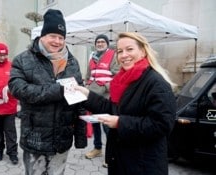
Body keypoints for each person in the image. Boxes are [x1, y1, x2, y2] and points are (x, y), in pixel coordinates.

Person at [75, 32, 176, 175]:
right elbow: (111, 108)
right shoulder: (123, 80)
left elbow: (161, 124)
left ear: (142, 51)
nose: (123, 55)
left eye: (129, 49)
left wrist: (119, 123)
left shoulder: (156, 83)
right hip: (121, 159)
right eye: (120, 51)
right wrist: (86, 95)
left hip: (143, 164)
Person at [8, 9, 87, 175]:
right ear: (42, 36)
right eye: (53, 36)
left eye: (61, 37)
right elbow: (17, 89)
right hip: (35, 137)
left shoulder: (72, 62)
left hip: (62, 139)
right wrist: (58, 90)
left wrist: (80, 136)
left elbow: (79, 102)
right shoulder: (23, 59)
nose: (57, 41)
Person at [84, 34, 117, 166]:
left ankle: (111, 154)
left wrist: (107, 86)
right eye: (98, 42)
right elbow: (88, 74)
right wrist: (87, 85)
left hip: (106, 96)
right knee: (95, 123)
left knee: (107, 126)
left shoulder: (113, 55)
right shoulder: (93, 56)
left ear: (107, 44)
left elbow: (118, 73)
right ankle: (97, 148)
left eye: (103, 42)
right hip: (93, 96)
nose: (100, 44)